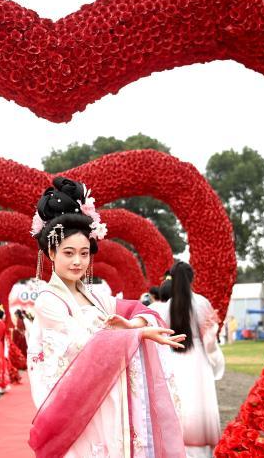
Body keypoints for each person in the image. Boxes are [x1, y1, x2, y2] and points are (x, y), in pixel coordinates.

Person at [27, 177, 187, 457]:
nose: (77, 261)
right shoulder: (48, 301)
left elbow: (141, 310)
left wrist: (133, 325)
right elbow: (83, 346)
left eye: (84, 253)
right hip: (79, 405)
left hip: (108, 396)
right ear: (51, 252)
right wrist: (137, 335)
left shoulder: (97, 296)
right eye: (68, 253)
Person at [149, 261, 225, 458]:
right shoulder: (202, 303)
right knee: (199, 404)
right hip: (198, 359)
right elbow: (210, 340)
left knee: (178, 404)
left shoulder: (165, 308)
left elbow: (160, 341)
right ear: (192, 279)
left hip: (175, 359)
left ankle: (175, 449)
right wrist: (215, 360)